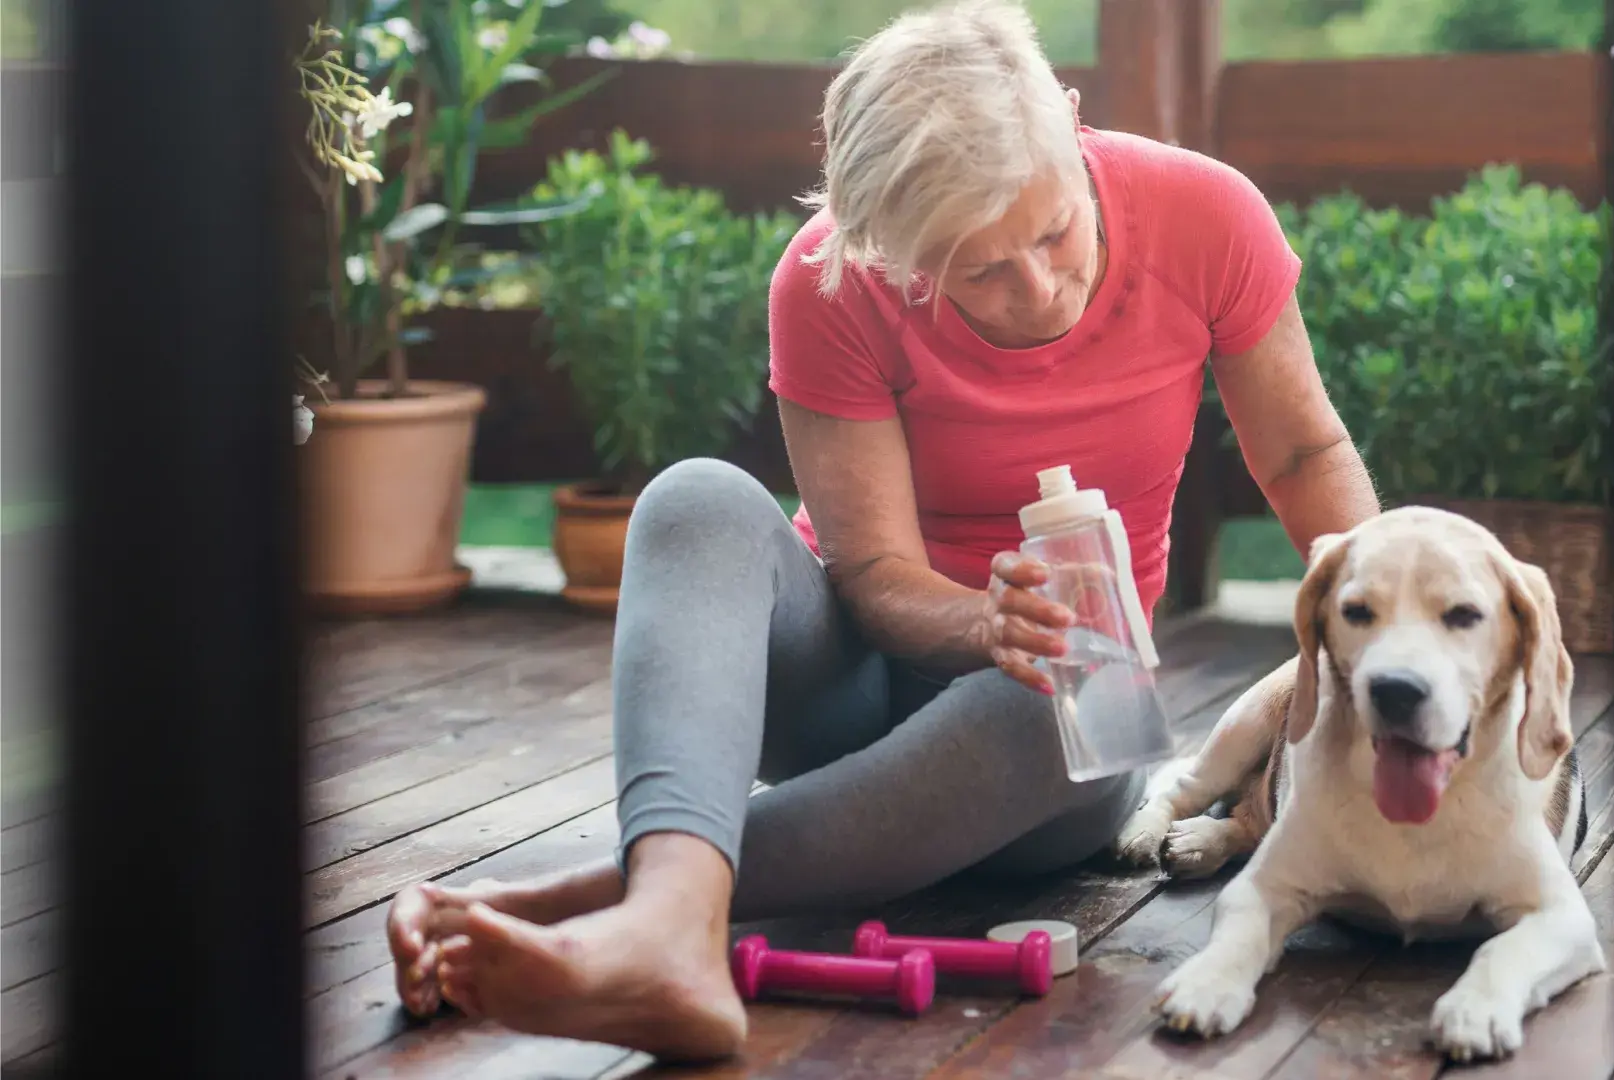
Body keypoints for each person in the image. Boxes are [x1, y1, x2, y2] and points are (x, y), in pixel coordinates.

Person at [384, 0, 1380, 1060]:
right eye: (979, 270)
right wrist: (981, 619)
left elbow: (1302, 458)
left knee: (1064, 689)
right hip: (854, 687)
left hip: (1048, 748)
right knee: (694, 500)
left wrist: (1378, 653)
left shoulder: (1205, 217)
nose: (1036, 287)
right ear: (891, 249)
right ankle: (664, 933)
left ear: (1072, 123)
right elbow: (868, 571)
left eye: (1053, 233)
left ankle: (617, 909)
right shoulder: (831, 276)